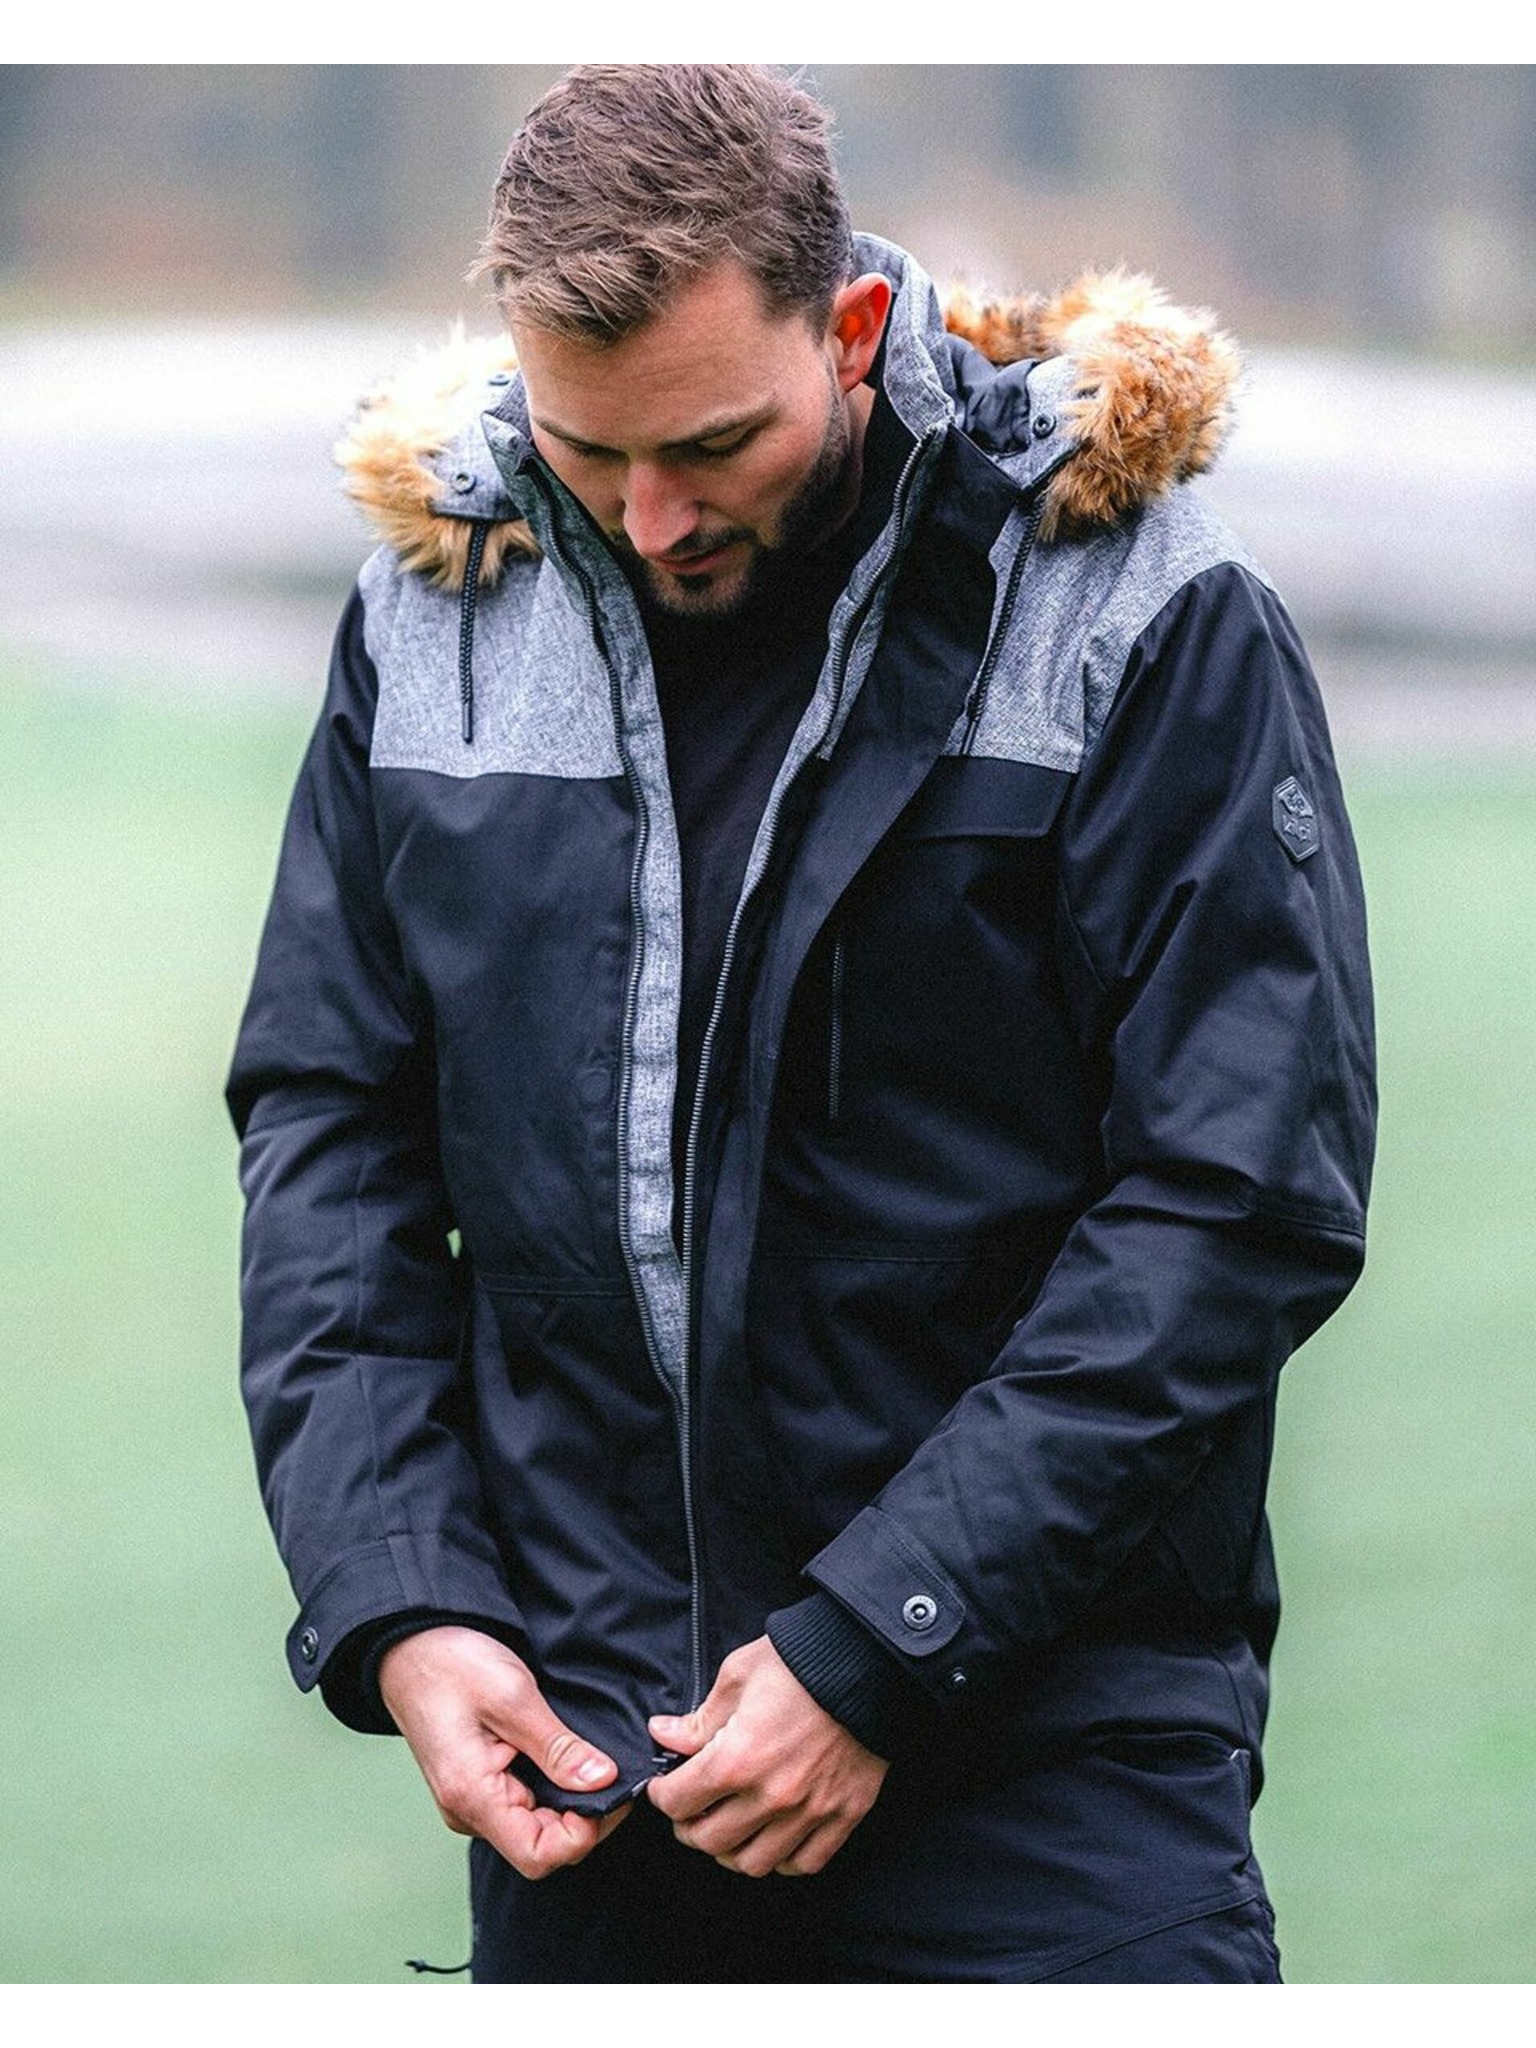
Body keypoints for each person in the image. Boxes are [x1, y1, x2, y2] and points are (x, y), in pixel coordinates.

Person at [228, 64, 1375, 1983]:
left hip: (1050, 1770)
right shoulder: (428, 616)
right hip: (594, 1770)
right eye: (590, 452)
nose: (653, 518)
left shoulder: (1138, 610)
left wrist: (877, 1642)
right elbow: (331, 1136)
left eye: (714, 445)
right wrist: (403, 1598)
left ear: (847, 334)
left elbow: (1238, 1195)